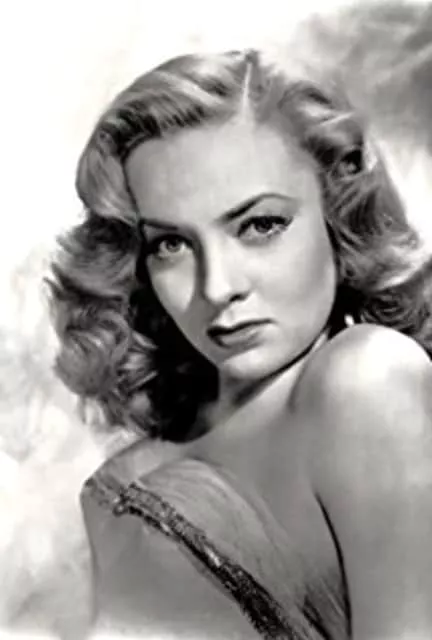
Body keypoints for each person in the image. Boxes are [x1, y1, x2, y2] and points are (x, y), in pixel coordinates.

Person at [47, 49, 432, 638]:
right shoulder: (115, 486)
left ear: (338, 214)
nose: (217, 287)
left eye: (260, 225)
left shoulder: (370, 379)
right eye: (171, 245)